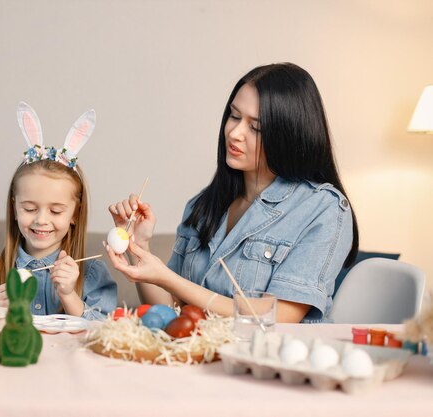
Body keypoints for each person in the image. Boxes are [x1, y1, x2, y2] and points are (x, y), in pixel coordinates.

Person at [106, 63, 358, 323]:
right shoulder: (203, 205)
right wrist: (138, 246)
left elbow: (279, 317)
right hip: (200, 359)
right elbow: (171, 311)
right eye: (234, 116)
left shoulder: (323, 209)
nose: (234, 133)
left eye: (256, 127)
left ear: (289, 135)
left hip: (265, 360)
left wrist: (169, 279)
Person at [0, 102, 117, 320]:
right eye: (29, 208)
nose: (41, 220)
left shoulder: (93, 275)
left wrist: (69, 296)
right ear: (14, 208)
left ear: (75, 214)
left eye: (56, 211)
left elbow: (106, 335)